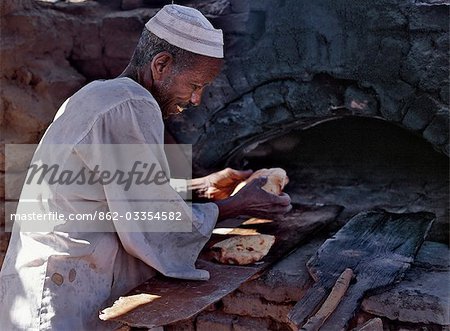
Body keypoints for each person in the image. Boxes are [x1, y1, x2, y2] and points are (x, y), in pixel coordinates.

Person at [0, 4, 291, 330]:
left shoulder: (97, 95)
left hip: (53, 285)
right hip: (57, 297)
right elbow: (152, 220)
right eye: (195, 85)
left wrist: (201, 187)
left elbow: (112, 190)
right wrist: (240, 205)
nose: (196, 100)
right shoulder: (133, 104)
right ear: (161, 64)